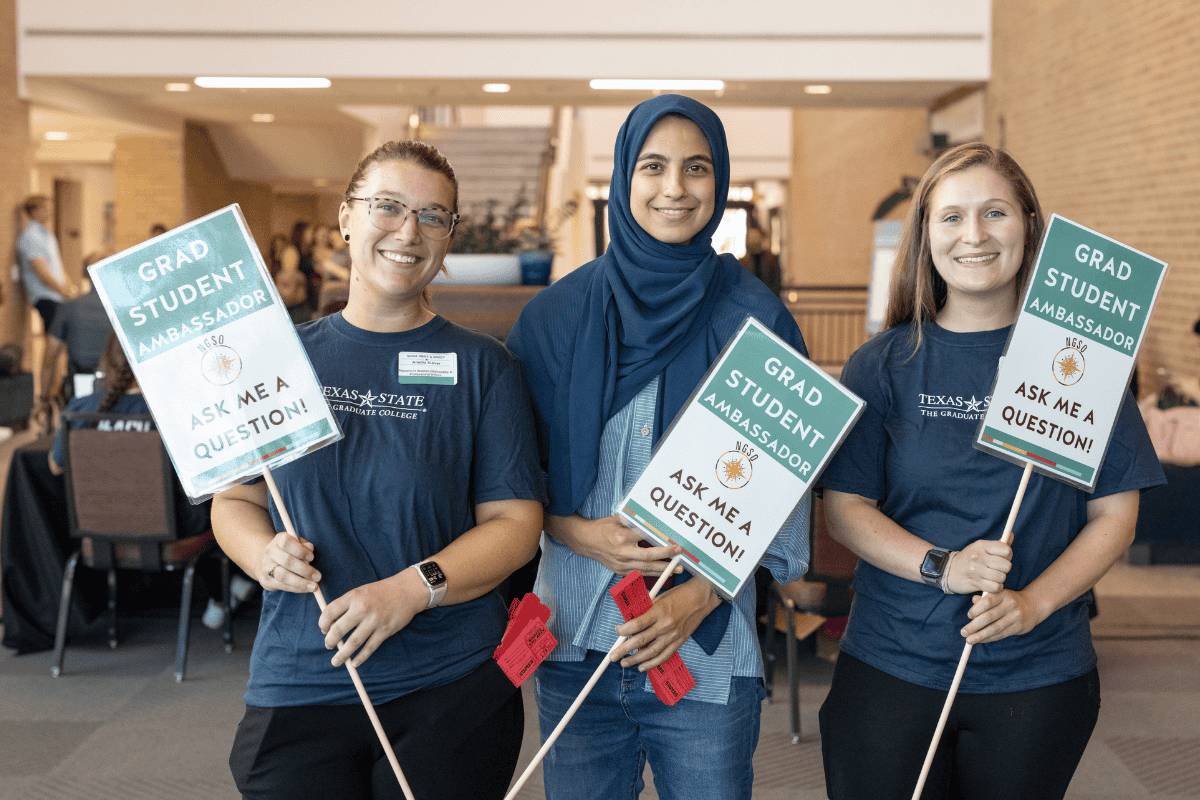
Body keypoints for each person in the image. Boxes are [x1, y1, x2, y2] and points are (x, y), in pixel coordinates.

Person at [817, 142, 1165, 800]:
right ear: (925, 236)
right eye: (951, 218)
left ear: (1029, 223)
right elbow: (846, 508)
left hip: (1035, 674)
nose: (973, 235)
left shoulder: (1079, 360)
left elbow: (1115, 515)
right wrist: (940, 565)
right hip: (892, 664)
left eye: (994, 212)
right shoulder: (883, 364)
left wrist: (1033, 603)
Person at [212, 140, 545, 800]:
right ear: (344, 217)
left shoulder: (484, 368)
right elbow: (236, 501)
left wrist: (410, 590)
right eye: (387, 206)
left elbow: (515, 524)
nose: (408, 230)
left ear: (449, 238)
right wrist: (262, 556)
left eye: (432, 215)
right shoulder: (278, 360)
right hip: (301, 679)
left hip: (447, 689)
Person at [506, 94, 811, 800]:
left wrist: (698, 597)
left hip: (701, 653)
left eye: (697, 168)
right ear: (622, 178)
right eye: (654, 166)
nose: (675, 188)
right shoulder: (553, 319)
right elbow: (506, 489)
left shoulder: (756, 319)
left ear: (721, 179)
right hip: (576, 641)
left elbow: (782, 505)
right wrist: (580, 532)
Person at [48, 334, 210, 536]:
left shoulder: (79, 409)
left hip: (97, 532)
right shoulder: (176, 412)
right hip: (177, 528)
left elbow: (55, 467)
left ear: (107, 360)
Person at [38, 250, 116, 424]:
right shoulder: (125, 308)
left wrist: (43, 398)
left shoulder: (69, 308)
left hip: (80, 390)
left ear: (85, 275)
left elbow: (50, 357)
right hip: (120, 388)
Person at [15, 194, 74, 331]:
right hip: (45, 295)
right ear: (34, 211)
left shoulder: (47, 234)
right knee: (55, 337)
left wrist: (69, 286)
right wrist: (63, 290)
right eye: (46, 209)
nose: (50, 212)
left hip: (57, 294)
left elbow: (56, 265)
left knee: (61, 335)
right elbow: (41, 272)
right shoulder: (31, 236)